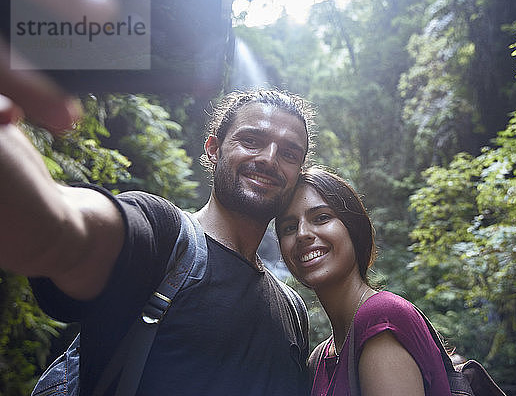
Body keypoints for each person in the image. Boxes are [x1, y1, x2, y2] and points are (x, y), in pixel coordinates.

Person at [1, 85, 315, 394]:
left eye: (289, 153)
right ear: (213, 148)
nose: (270, 159)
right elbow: (53, 230)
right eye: (251, 141)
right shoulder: (163, 237)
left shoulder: (294, 311)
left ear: (299, 172)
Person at [276, 167, 452, 396]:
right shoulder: (319, 359)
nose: (302, 234)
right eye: (289, 227)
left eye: (321, 218)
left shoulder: (381, 319)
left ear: (354, 228)